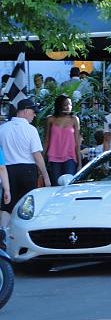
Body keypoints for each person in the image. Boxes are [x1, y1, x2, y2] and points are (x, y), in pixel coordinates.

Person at [0, 98, 51, 231]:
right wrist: (45, 176)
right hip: (28, 170)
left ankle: (3, 234)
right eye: (33, 112)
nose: (35, 115)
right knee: (28, 206)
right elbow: (37, 155)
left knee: (7, 206)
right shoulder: (30, 130)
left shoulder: (2, 129)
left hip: (8, 171)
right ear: (25, 111)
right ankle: (24, 233)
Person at [43, 94, 82, 186]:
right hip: (54, 158)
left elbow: (77, 142)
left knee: (69, 185)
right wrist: (42, 159)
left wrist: (79, 164)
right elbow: (46, 140)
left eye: (70, 105)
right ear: (59, 105)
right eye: (66, 105)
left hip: (70, 157)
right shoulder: (50, 119)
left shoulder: (74, 119)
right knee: (56, 185)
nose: (69, 107)